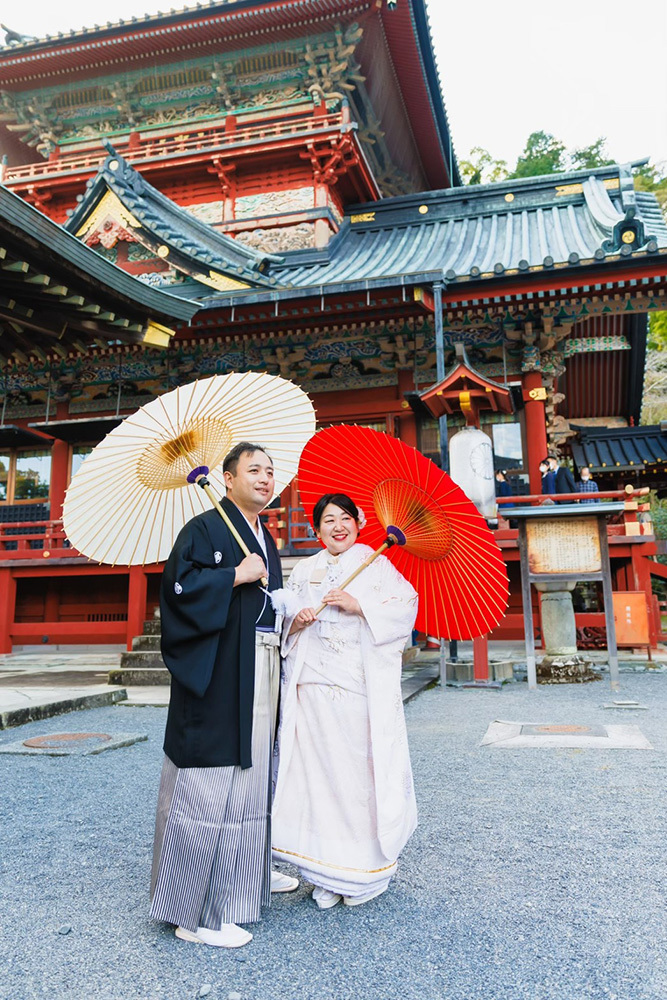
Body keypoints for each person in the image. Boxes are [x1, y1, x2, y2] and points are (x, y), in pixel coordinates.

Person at [150, 442, 298, 949]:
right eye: (253, 469)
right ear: (227, 479)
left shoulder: (263, 537)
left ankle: (243, 882)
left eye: (270, 471)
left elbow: (265, 605)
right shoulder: (203, 529)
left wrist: (286, 608)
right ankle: (194, 913)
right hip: (216, 673)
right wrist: (234, 574)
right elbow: (176, 590)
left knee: (254, 775)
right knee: (211, 782)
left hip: (258, 665)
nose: (264, 477)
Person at [271, 493, 419, 909]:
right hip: (311, 689)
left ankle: (361, 872)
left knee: (355, 778)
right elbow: (287, 616)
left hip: (356, 689)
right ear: (316, 530)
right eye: (328, 521)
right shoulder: (305, 569)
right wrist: (295, 621)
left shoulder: (377, 564)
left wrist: (360, 605)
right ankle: (324, 870)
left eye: (345, 518)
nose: (338, 526)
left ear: (358, 523)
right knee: (316, 778)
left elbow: (406, 609)